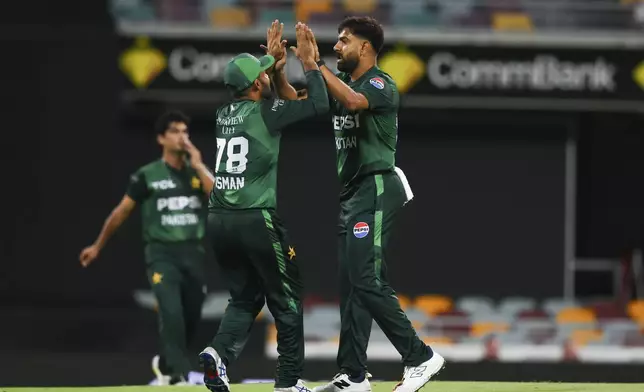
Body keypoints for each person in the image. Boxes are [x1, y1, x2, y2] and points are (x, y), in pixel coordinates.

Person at [296, 17, 446, 392]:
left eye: (343, 40)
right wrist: (290, 67)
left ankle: (420, 357)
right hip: (352, 194)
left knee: (366, 278)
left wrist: (315, 66)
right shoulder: (343, 83)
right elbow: (297, 100)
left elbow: (353, 102)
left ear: (365, 47)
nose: (336, 46)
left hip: (377, 186)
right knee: (352, 286)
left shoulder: (379, 83)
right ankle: (353, 376)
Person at [197, 23, 329, 392]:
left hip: (219, 220)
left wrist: (272, 64)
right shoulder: (268, 112)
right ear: (256, 85)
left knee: (246, 296)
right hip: (255, 218)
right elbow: (316, 103)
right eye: (261, 77)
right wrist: (308, 62)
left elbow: (269, 93)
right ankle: (288, 384)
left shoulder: (224, 114)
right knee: (287, 300)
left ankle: (218, 354)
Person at [79, 111, 214, 386]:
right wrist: (97, 246)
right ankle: (177, 374)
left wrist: (199, 165)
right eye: (175, 131)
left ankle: (164, 364)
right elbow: (120, 212)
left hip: (193, 252)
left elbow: (220, 199)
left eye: (185, 131)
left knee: (192, 311)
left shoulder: (195, 172)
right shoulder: (147, 176)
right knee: (171, 311)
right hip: (161, 254)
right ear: (161, 138)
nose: (182, 137)